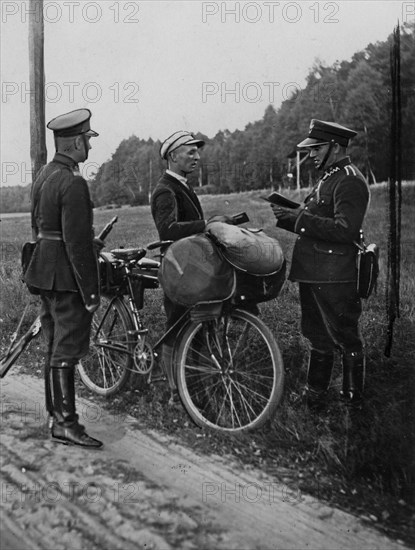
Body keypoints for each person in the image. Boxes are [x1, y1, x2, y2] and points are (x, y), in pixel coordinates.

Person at [271, 119, 370, 408]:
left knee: (345, 337)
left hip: (335, 275)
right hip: (316, 272)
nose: (311, 155)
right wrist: (293, 214)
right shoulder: (330, 175)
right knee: (316, 334)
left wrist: (298, 219)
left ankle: (353, 401)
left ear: (335, 147)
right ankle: (316, 393)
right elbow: (320, 216)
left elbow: (345, 229)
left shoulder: (348, 179)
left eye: (316, 149)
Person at [24, 108, 103, 447]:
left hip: (44, 272)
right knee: (66, 349)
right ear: (74, 142)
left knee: (54, 346)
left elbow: (45, 227)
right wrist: (91, 293)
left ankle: (58, 419)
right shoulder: (72, 182)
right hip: (66, 277)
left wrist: (84, 239)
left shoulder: (44, 175)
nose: (90, 145)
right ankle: (66, 424)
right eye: (87, 139)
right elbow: (76, 244)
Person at [151, 131, 232, 396]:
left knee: (192, 325)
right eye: (190, 151)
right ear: (173, 156)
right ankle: (172, 388)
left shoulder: (182, 185)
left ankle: (192, 387)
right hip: (178, 270)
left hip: (190, 267)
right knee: (176, 324)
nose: (197, 156)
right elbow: (168, 230)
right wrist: (206, 225)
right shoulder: (165, 189)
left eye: (198, 151)